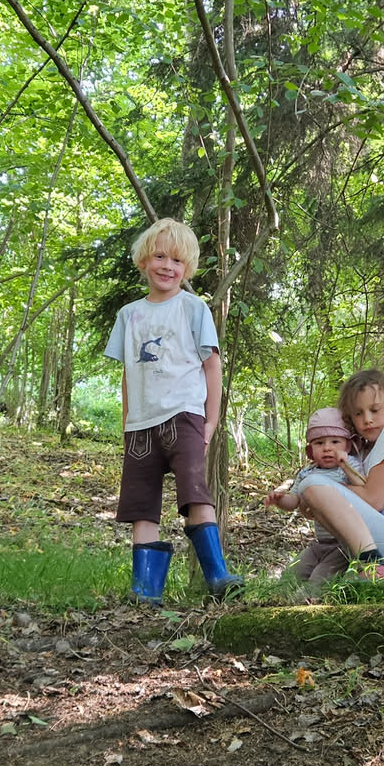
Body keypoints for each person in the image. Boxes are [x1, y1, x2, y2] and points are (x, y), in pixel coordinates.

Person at [103, 217, 242, 604]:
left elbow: (212, 365)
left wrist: (211, 420)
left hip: (184, 415)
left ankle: (217, 576)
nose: (167, 266)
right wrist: (127, 422)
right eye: (160, 256)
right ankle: (145, 590)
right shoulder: (129, 315)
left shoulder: (193, 308)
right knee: (141, 505)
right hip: (140, 425)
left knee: (195, 492)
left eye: (177, 261)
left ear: (188, 268)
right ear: (144, 261)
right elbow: (128, 374)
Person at [296, 367, 384, 582]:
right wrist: (315, 503)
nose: (367, 419)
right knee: (297, 580)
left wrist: (325, 492)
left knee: (312, 484)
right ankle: (366, 571)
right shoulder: (359, 452)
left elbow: (373, 500)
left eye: (375, 410)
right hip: (370, 545)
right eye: (358, 413)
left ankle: (371, 562)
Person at [264, 406, 366, 592]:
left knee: (320, 578)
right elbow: (294, 501)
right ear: (310, 450)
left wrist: (345, 465)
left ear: (347, 446)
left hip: (344, 543)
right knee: (291, 575)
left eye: (335, 441)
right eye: (319, 443)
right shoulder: (307, 472)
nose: (327, 448)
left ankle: (310, 601)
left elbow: (363, 487)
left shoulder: (350, 465)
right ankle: (278, 600)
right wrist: (280, 500)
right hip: (320, 543)